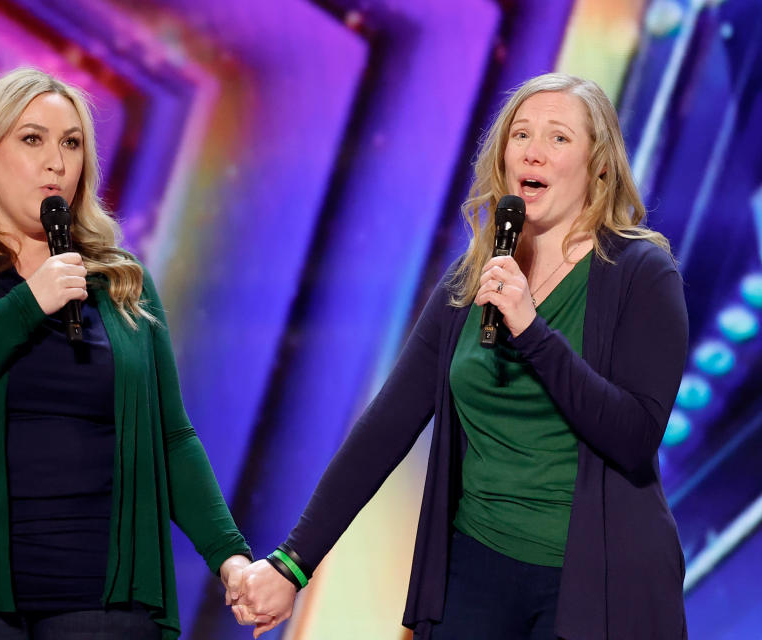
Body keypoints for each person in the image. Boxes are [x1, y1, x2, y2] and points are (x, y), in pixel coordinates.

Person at [233, 73, 689, 639]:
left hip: (596, 580)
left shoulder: (642, 274)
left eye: (559, 138)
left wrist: (533, 332)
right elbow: (387, 425)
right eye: (520, 134)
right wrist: (293, 562)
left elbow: (634, 435)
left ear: (599, 163)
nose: (534, 151)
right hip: (474, 566)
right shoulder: (472, 278)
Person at [0, 68, 252, 640]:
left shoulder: (123, 283)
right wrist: (27, 304)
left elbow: (172, 436)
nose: (56, 161)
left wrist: (230, 556)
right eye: (32, 139)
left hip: (102, 595)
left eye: (71, 143)